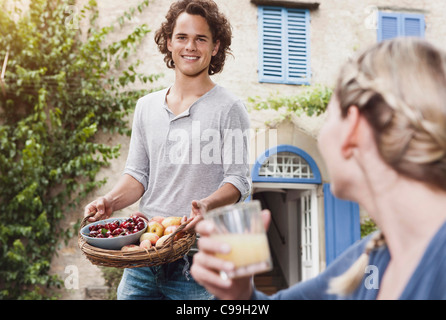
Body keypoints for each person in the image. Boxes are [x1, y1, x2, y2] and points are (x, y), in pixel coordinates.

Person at [190, 37, 446, 300]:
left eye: (329, 116)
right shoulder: (373, 256)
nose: (322, 135)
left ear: (353, 129)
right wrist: (240, 295)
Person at [83, 0, 251, 300]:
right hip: (144, 255)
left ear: (215, 47)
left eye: (201, 38)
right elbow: (137, 175)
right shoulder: (146, 107)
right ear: (169, 43)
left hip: (199, 258)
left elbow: (239, 180)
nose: (191, 46)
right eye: (182, 37)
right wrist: (110, 200)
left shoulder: (230, 108)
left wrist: (207, 204)